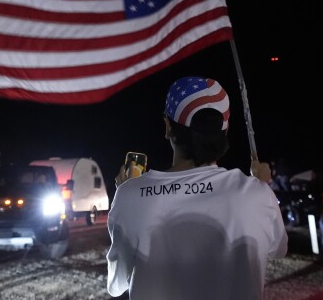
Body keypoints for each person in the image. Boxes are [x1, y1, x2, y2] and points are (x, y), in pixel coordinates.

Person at [106, 76, 288, 299]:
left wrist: (126, 197)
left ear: (168, 127)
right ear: (224, 131)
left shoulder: (130, 194)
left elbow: (116, 285)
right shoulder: (257, 194)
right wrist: (263, 186)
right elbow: (278, 249)